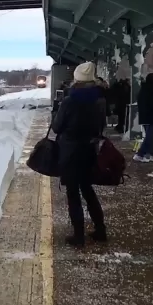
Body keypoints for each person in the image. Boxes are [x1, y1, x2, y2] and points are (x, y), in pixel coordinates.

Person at [52, 61, 107, 247]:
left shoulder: (69, 100)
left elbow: (57, 126)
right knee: (88, 190)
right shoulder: (99, 100)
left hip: (70, 152)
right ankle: (100, 230)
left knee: (73, 193)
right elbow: (102, 126)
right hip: (90, 150)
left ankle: (78, 236)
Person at [134, 73, 153, 162]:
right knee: (150, 136)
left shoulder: (144, 89)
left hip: (145, 116)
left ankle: (151, 153)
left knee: (151, 136)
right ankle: (141, 153)